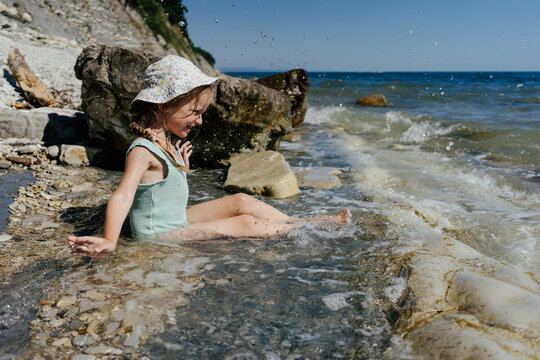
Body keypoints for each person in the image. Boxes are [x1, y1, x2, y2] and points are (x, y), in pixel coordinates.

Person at [68, 55, 350, 257]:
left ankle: (294, 222)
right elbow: (123, 195)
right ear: (165, 105)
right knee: (246, 223)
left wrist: (181, 167)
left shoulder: (166, 144)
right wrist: (109, 240)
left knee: (241, 201)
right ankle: (304, 228)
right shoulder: (142, 149)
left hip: (175, 218)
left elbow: (162, 190)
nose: (200, 121)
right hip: (159, 234)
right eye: (195, 112)